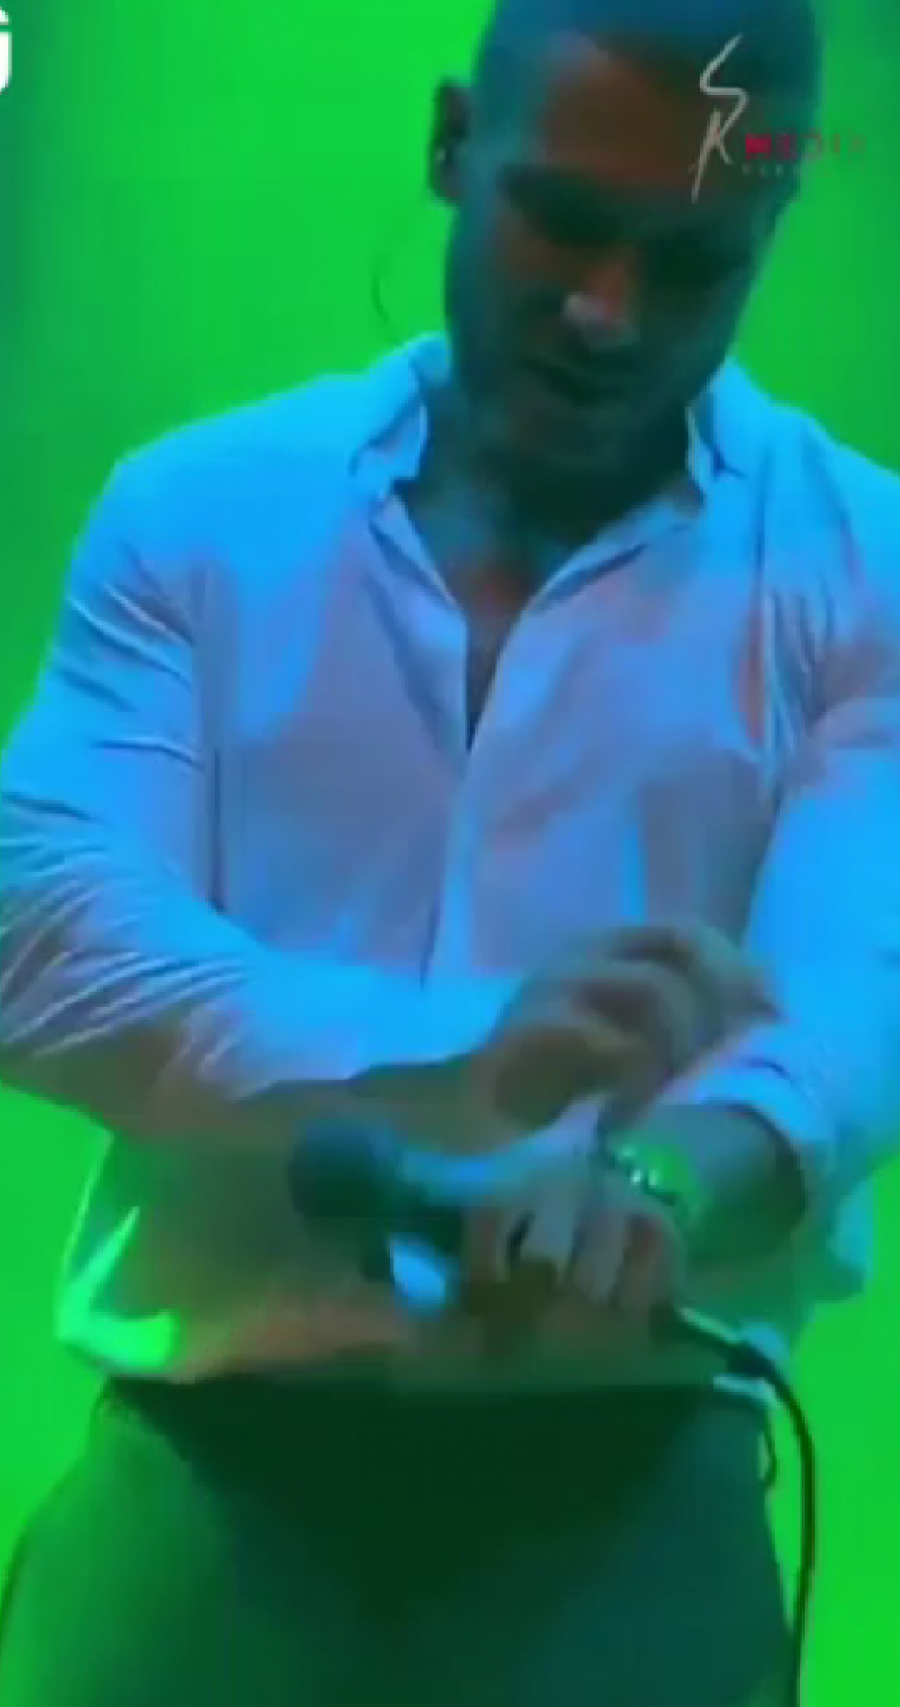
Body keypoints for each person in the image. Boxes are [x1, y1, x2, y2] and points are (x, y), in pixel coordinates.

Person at [1, 0, 899, 1701]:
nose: (607, 311)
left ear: (773, 228)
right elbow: (40, 940)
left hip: (635, 1512)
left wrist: (652, 1188)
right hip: (204, 1488)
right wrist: (465, 1056)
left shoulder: (868, 560)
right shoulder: (196, 511)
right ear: (449, 145)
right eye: (562, 220)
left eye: (691, 263)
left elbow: (852, 1005)